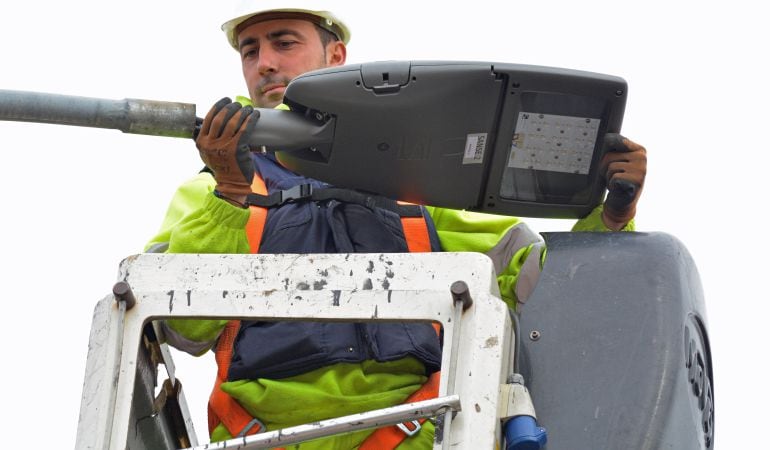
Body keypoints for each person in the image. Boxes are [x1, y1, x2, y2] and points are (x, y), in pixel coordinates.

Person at [146, 2, 647, 448]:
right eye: (250, 50)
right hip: (260, 439)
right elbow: (181, 329)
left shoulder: (420, 181)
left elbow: (535, 283)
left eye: (284, 42)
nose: (266, 63)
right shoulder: (213, 188)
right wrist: (230, 194)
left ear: (335, 55)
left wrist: (612, 217)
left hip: (412, 436)